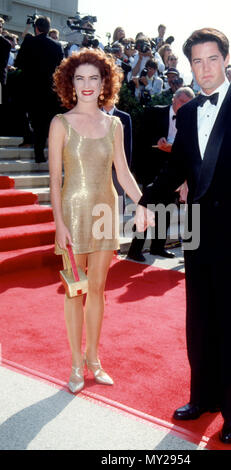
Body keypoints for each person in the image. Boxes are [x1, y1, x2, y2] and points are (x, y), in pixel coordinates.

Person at [135, 27, 231, 444]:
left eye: (212, 59)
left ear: (225, 59)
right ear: (190, 66)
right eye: (196, 61)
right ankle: (203, 397)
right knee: (200, 320)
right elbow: (175, 170)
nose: (204, 69)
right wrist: (148, 200)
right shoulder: (185, 113)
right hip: (198, 233)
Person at [49, 48, 142, 394]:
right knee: (76, 291)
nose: (86, 85)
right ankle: (75, 363)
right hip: (71, 216)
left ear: (105, 83)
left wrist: (143, 202)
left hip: (105, 214)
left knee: (99, 290)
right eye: (79, 78)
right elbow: (54, 179)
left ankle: (93, 359)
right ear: (70, 83)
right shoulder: (60, 124)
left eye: (93, 78)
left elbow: (124, 172)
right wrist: (59, 223)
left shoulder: (114, 124)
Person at [128, 87, 194, 262]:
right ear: (174, 99)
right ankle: (135, 249)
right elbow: (141, 138)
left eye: (188, 104)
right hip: (152, 168)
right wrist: (157, 142)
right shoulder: (154, 112)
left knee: (166, 210)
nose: (184, 107)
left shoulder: (192, 120)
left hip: (175, 171)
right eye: (181, 102)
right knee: (147, 206)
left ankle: (158, 247)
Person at [14, 16, 63, 162]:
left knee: (25, 114)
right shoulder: (57, 45)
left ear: (36, 28)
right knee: (42, 123)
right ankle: (39, 154)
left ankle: (29, 138)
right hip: (48, 90)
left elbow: (18, 62)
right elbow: (61, 68)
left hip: (29, 88)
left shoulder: (29, 42)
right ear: (48, 29)